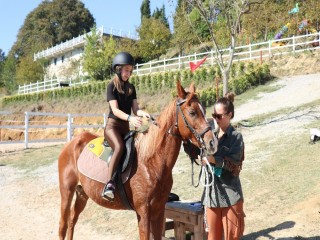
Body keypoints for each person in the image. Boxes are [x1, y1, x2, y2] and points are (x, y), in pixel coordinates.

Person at [102, 52, 150, 200]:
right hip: (113, 127)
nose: (128, 73)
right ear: (118, 69)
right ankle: (109, 184)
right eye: (126, 70)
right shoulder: (111, 87)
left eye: (130, 71)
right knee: (119, 147)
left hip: (125, 128)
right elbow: (115, 110)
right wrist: (130, 118)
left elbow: (135, 109)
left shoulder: (131, 87)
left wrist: (143, 114)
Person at [201, 92, 245, 240]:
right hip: (212, 196)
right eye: (214, 115)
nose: (216, 119)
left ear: (229, 115)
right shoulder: (209, 136)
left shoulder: (236, 137)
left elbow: (234, 165)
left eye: (219, 116)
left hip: (230, 195)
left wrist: (214, 160)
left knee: (232, 237)